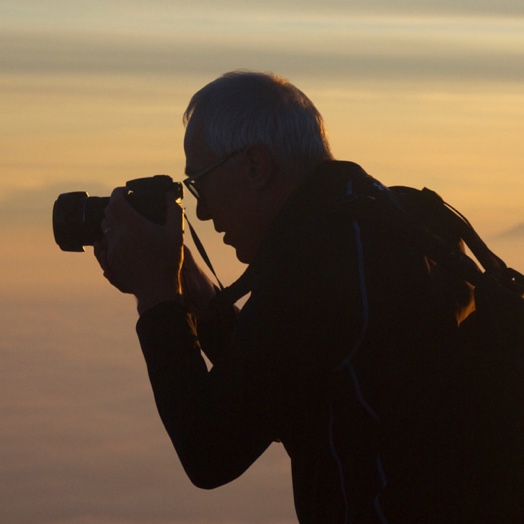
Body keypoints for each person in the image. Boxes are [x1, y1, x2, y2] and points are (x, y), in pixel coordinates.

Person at [95, 71, 475, 523]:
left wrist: (156, 296)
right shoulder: (388, 219)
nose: (200, 210)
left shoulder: (317, 267)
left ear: (255, 166)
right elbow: (282, 386)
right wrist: (201, 300)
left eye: (200, 183)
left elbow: (210, 451)